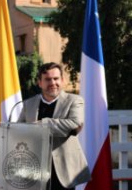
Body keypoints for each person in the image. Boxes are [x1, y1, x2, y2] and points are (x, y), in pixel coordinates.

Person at [18, 62, 91, 190]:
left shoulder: (74, 100)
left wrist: (42, 124)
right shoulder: (28, 104)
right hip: (35, 171)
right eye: (47, 79)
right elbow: (19, 130)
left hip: (63, 171)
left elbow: (75, 124)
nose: (52, 83)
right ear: (39, 82)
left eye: (56, 78)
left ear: (62, 80)